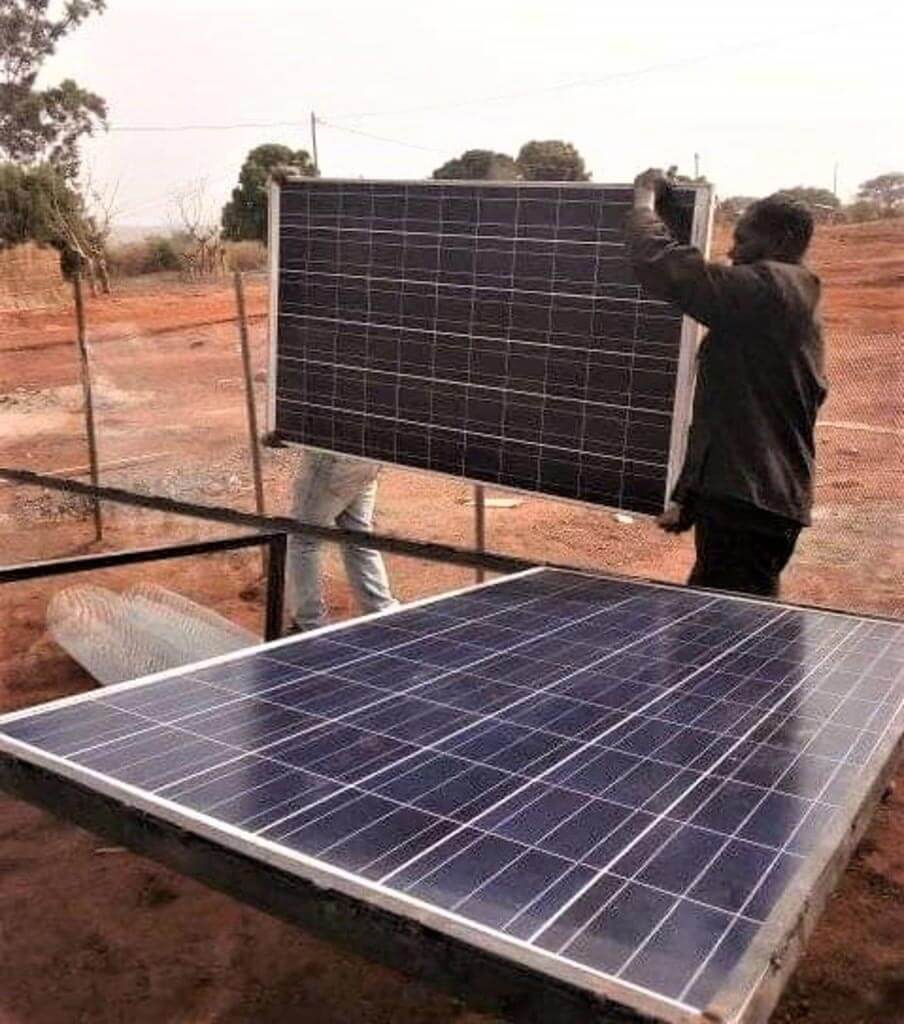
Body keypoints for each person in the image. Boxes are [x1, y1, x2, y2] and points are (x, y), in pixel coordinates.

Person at [625, 169, 827, 598]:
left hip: (751, 507)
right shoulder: (775, 303)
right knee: (723, 629)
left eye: (744, 238)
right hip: (747, 502)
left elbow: (667, 268)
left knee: (724, 639)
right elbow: (729, 412)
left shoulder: (773, 289)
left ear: (783, 241)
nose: (732, 251)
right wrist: (690, 497)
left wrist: (644, 200)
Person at [287, 450, 398, 631]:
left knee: (303, 540)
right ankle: (381, 608)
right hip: (368, 458)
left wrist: (281, 433)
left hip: (331, 459)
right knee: (358, 536)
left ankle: (308, 622)